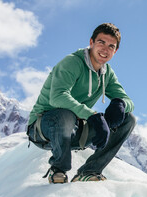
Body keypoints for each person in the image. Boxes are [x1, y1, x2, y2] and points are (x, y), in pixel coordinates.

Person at [26, 23, 136, 184]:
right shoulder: (72, 62)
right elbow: (57, 97)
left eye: (111, 46)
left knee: (129, 119)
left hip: (75, 131)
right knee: (65, 114)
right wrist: (92, 115)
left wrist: (120, 104)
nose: (105, 49)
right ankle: (58, 170)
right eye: (101, 42)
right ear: (91, 42)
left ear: (115, 51)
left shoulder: (107, 74)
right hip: (44, 129)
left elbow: (128, 100)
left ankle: (90, 171)